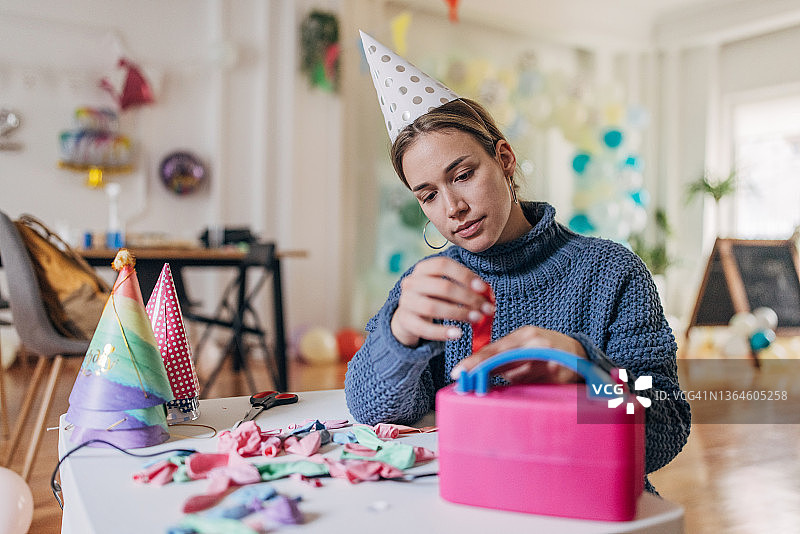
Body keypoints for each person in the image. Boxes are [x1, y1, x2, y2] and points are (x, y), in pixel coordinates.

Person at [345, 32, 690, 492]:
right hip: (469, 497)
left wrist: (589, 374)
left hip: (586, 503)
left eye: (463, 175)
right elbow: (373, 409)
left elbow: (666, 426)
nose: (452, 208)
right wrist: (399, 337)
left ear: (504, 159)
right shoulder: (430, 286)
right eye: (428, 195)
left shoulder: (611, 273)